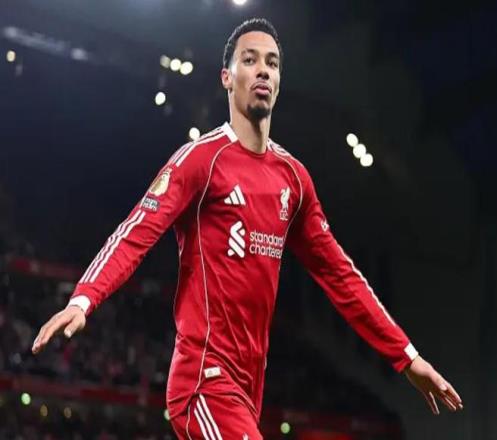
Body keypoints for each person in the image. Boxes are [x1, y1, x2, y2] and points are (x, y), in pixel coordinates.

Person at [32, 18, 463, 439]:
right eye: (250, 60)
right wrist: (84, 299)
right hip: (203, 381)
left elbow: (341, 275)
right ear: (227, 77)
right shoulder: (200, 160)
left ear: (279, 81)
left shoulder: (294, 180)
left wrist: (406, 356)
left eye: (272, 63)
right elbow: (136, 232)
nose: (263, 70)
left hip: (249, 387)